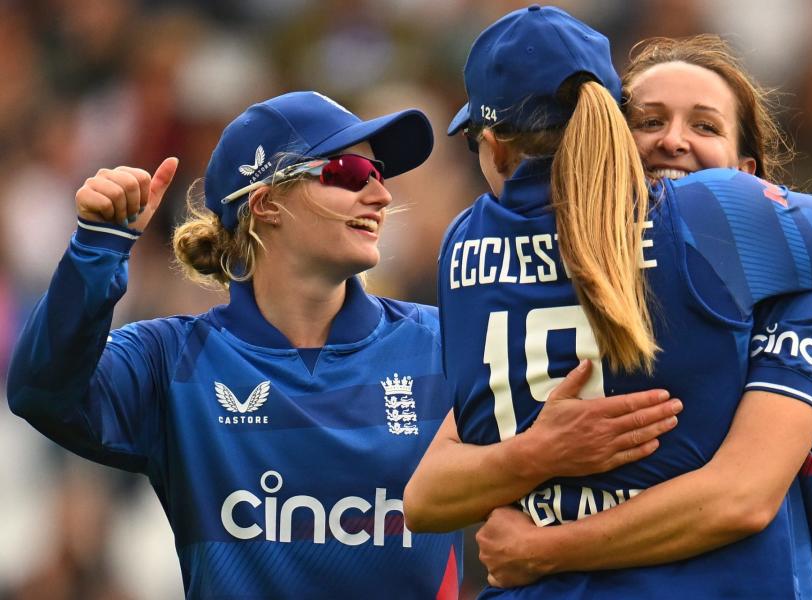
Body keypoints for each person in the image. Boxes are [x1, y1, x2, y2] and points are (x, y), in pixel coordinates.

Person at [404, 6, 812, 598]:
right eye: (648, 119)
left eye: (706, 127)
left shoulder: (464, 241)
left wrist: (539, 531)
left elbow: (426, 498)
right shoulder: (719, 218)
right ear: (605, 129)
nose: (673, 141)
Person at [7, 91, 471, 599]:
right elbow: (41, 393)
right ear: (266, 202)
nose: (380, 195)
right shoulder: (174, 361)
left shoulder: (442, 342)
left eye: (378, 175)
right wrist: (97, 248)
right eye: (350, 172)